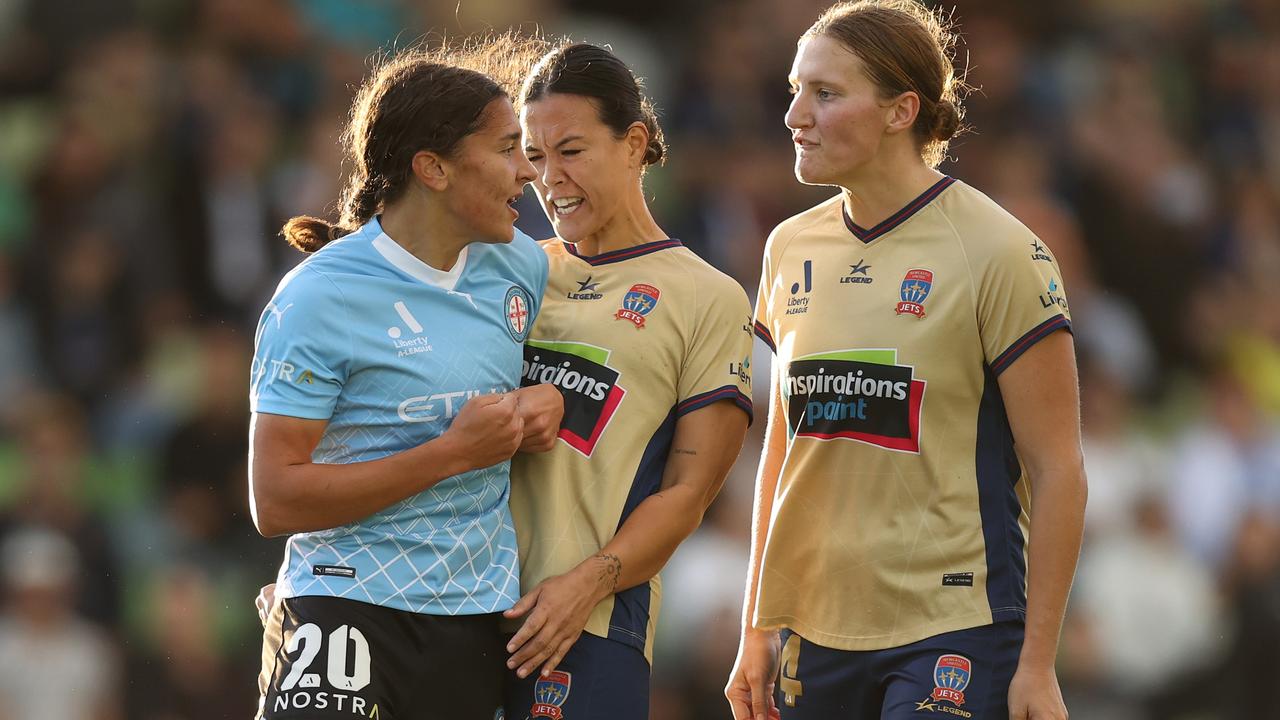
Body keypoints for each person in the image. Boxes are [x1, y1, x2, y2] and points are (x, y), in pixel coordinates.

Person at [725, 3, 1087, 720]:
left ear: (901, 111)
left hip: (953, 626)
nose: (796, 114)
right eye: (796, 90)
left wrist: (1039, 664)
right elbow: (782, 452)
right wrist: (756, 625)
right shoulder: (788, 246)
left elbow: (1060, 470)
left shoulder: (1000, 250)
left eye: (825, 94)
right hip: (815, 628)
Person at [248, 41, 564, 719]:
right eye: (509, 148)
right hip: (344, 606)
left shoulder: (520, 268)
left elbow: (530, 388)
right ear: (433, 168)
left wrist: (546, 397)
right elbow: (275, 501)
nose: (528, 172)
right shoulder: (317, 298)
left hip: (475, 621)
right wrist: (452, 453)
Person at [499, 42, 754, 720]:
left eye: (572, 151)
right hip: (460, 608)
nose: (550, 177)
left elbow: (687, 494)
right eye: (535, 155)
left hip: (587, 630)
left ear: (635, 143)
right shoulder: (512, 269)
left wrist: (585, 585)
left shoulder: (708, 296)